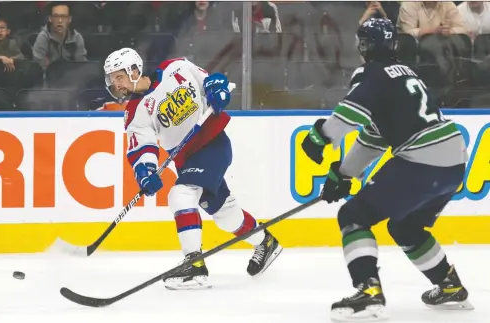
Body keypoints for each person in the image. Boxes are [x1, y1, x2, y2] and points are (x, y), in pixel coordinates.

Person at [300, 18, 473, 321]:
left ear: (364, 46)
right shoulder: (407, 74)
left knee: (353, 216)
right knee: (405, 226)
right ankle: (448, 284)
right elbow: (375, 138)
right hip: (454, 162)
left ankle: (368, 291)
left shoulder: (372, 74)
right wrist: (343, 173)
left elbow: (350, 113)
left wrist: (320, 137)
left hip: (424, 160)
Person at [103, 48, 283, 290]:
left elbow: (209, 81)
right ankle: (266, 242)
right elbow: (141, 147)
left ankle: (194, 265)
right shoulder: (135, 113)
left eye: (119, 76)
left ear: (134, 70)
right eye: (112, 80)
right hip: (187, 160)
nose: (116, 84)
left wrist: (216, 89)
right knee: (224, 214)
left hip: (213, 143)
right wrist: (145, 172)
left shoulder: (175, 68)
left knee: (180, 195)